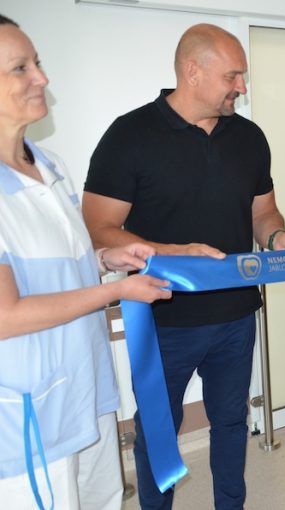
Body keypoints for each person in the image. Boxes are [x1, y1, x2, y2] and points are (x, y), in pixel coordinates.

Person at [81, 24, 285, 509]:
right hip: (164, 318)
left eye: (243, 77)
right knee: (158, 431)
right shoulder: (129, 135)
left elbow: (264, 213)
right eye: (232, 76)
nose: (242, 87)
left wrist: (276, 237)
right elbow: (98, 230)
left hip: (236, 316)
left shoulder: (249, 137)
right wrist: (170, 251)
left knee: (231, 422)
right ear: (192, 71)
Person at [0, 15, 171, 509]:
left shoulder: (50, 165)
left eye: (38, 63)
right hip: (31, 412)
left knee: (104, 499)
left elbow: (59, 266)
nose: (42, 78)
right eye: (20, 68)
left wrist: (106, 259)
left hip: (86, 388)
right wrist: (115, 289)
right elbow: (7, 315)